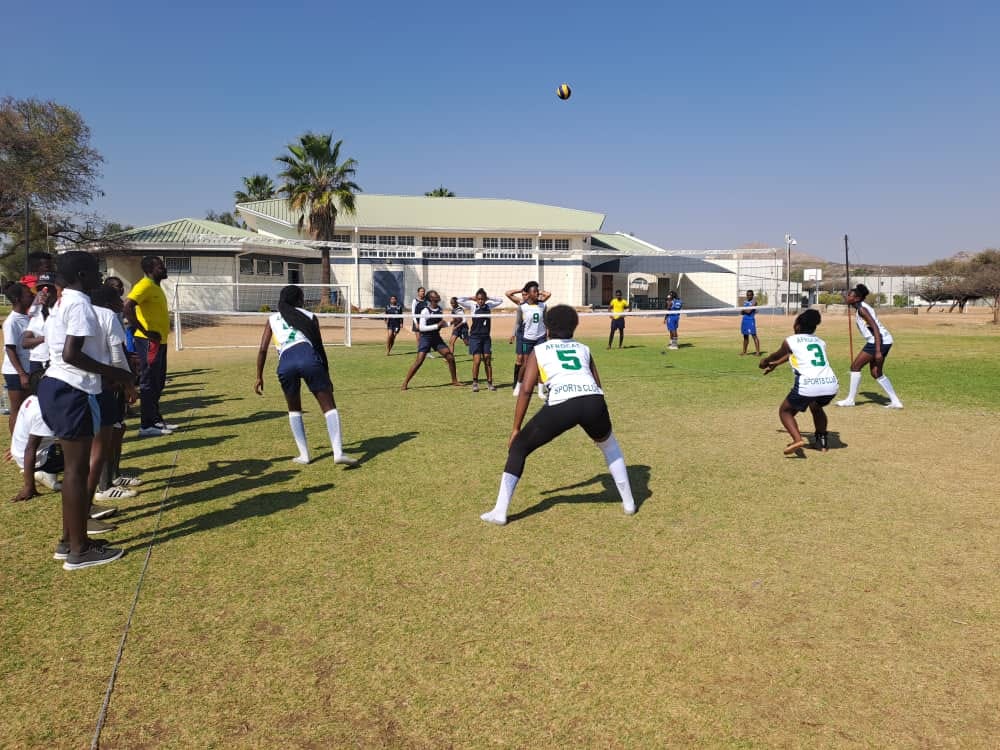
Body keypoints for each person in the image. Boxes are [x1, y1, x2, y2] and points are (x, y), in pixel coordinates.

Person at [480, 305, 636, 525]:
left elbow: (526, 389)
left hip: (564, 403)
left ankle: (499, 512)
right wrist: (597, 419)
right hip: (593, 400)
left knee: (519, 447)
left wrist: (516, 429)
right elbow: (597, 385)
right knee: (610, 445)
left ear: (547, 327)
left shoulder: (539, 350)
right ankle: (629, 503)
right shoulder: (583, 348)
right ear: (575, 326)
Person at [39, 251, 134, 569]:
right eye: (95, 270)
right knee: (76, 472)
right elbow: (71, 354)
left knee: (74, 471)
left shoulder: (62, 302)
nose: (100, 275)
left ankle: (70, 541)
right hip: (72, 390)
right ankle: (79, 551)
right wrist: (116, 373)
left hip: (59, 387)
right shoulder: (79, 303)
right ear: (81, 274)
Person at [254, 285, 357, 467]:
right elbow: (319, 347)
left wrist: (259, 376)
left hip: (285, 364)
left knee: (294, 410)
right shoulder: (310, 316)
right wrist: (326, 374)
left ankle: (304, 455)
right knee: (329, 407)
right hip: (309, 359)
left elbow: (262, 350)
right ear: (299, 300)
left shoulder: (272, 319)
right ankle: (338, 453)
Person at [759, 308, 839, 454]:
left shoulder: (791, 340)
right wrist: (777, 364)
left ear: (797, 326)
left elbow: (778, 354)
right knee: (816, 406)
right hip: (830, 385)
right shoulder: (820, 342)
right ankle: (822, 443)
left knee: (785, 411)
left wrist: (765, 361)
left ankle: (797, 439)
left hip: (808, 385)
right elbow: (793, 354)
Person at [88, 286, 140, 508]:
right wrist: (128, 384)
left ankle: (114, 477)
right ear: (109, 302)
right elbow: (117, 357)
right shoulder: (107, 315)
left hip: (100, 382)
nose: (122, 302)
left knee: (117, 429)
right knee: (107, 436)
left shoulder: (87, 313)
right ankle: (104, 487)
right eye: (118, 298)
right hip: (108, 383)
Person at [123, 256, 176, 436]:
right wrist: (145, 331)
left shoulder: (155, 287)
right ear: (149, 270)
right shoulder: (144, 285)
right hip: (148, 342)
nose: (164, 269)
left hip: (160, 341)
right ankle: (146, 425)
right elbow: (127, 306)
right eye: (160, 267)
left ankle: (155, 420)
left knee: (158, 382)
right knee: (149, 382)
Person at [836, 284, 903, 409]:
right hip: (884, 341)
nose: (847, 297)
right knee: (876, 373)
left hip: (878, 341)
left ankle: (850, 400)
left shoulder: (862, 310)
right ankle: (895, 401)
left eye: (850, 295)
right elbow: (847, 299)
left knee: (855, 367)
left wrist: (877, 351)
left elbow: (875, 328)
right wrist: (843, 293)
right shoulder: (860, 306)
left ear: (857, 298)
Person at [400, 290, 461, 390]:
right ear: (431, 299)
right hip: (426, 338)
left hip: (436, 338)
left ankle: (454, 381)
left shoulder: (439, 309)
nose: (438, 296)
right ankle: (405, 382)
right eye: (435, 295)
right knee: (419, 361)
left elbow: (441, 325)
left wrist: (452, 322)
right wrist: (437, 325)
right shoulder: (425, 311)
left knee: (450, 357)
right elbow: (422, 328)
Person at [9, 393, 63, 501]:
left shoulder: (31, 399)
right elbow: (30, 448)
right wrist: (29, 486)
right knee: (78, 453)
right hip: (37, 459)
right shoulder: (42, 412)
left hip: (21, 454)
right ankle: (46, 472)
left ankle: (42, 472)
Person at [506, 281, 551, 396]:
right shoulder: (522, 307)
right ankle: (518, 386)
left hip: (540, 337)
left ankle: (540, 391)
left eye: (537, 291)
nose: (537, 293)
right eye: (534, 292)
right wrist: (513, 334)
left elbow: (545, 320)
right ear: (529, 293)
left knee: (541, 363)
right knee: (525, 364)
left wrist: (548, 333)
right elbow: (518, 322)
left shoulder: (543, 305)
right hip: (527, 339)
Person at [457, 289, 503, 392]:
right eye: (479, 299)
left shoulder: (489, 306)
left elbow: (500, 300)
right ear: (476, 299)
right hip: (475, 337)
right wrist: (471, 298)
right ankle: (475, 383)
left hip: (486, 337)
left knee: (487, 359)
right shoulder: (473, 306)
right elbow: (459, 300)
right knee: (477, 361)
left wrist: (489, 298)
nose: (481, 301)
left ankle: (490, 383)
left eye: (482, 299)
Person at [3, 282, 35, 433]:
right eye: (28, 294)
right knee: (17, 408)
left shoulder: (27, 318)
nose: (32, 295)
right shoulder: (12, 322)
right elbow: (10, 349)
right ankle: (15, 443)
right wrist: (22, 374)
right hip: (16, 372)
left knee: (28, 407)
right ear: (17, 299)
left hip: (29, 369)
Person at [21, 273, 58, 393]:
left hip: (55, 362)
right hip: (36, 363)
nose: (43, 293)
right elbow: (25, 342)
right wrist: (46, 338)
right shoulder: (37, 314)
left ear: (57, 290)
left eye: (48, 289)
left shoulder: (60, 312)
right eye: (40, 290)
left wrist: (38, 339)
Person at [740, 289, 762, 356]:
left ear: (752, 295)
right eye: (747, 295)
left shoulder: (754, 302)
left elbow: (749, 311)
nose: (748, 296)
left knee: (754, 336)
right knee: (745, 337)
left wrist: (744, 310)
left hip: (750, 320)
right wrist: (744, 310)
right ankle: (744, 352)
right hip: (744, 320)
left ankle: (758, 352)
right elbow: (741, 312)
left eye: (750, 295)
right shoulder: (745, 302)